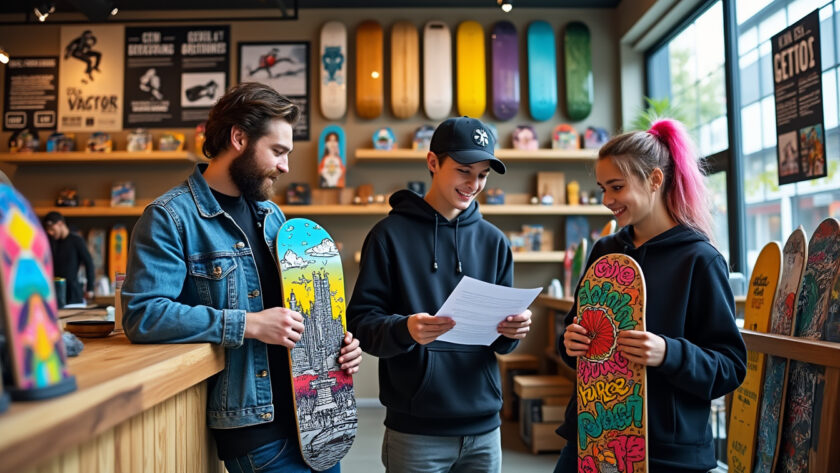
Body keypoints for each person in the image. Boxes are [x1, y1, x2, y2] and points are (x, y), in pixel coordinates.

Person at [121, 82, 362, 473]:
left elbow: (294, 318)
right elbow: (143, 315)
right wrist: (248, 324)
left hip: (318, 426)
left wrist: (337, 347)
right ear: (238, 138)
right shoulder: (170, 218)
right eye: (278, 152)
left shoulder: (274, 218)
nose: (285, 166)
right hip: (259, 436)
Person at [554, 119, 747, 473]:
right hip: (592, 438)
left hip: (667, 454)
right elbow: (573, 336)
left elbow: (730, 366)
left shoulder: (700, 260)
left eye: (616, 187)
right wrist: (571, 342)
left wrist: (668, 352)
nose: (607, 200)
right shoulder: (605, 251)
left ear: (655, 180)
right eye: (602, 188)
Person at [347, 116, 533, 473]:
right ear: (433, 163)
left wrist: (513, 332)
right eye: (464, 170)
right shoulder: (388, 236)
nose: (473, 184)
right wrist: (405, 329)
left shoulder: (495, 242)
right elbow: (361, 322)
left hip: (484, 429)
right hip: (417, 430)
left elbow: (500, 342)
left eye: (482, 175)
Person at [42, 211, 95, 305]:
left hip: (73, 293)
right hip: (56, 293)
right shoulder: (52, 242)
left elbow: (89, 263)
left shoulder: (76, 240)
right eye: (48, 230)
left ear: (60, 224)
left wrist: (90, 288)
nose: (50, 232)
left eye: (52, 228)